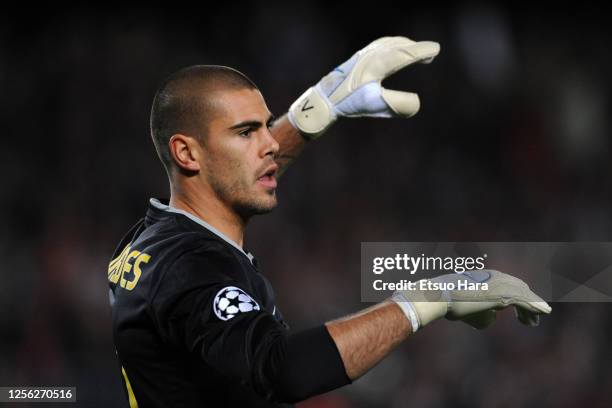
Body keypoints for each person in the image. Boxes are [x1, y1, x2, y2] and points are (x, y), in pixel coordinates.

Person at [107, 36, 551, 407]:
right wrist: (428, 299)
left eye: (266, 127)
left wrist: (321, 105)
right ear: (187, 153)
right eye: (245, 132)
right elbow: (280, 369)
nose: (268, 146)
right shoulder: (189, 268)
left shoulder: (154, 237)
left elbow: (230, 180)